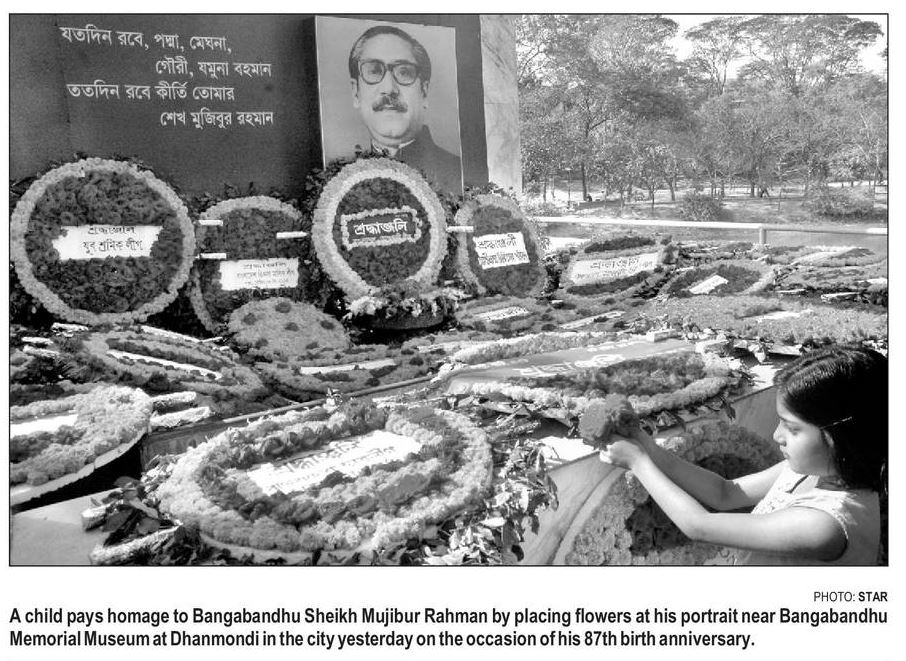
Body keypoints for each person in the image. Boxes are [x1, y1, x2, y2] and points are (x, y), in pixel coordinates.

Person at [600, 345, 887, 565]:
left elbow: (700, 526)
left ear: (838, 438)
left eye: (792, 428)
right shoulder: (811, 470)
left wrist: (638, 462)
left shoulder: (825, 524)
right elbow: (725, 492)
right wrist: (647, 446)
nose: (777, 436)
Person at [348, 25, 463, 193]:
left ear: (424, 92)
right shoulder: (342, 180)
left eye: (404, 72)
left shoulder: (457, 173)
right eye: (374, 71)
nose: (389, 88)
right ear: (356, 93)